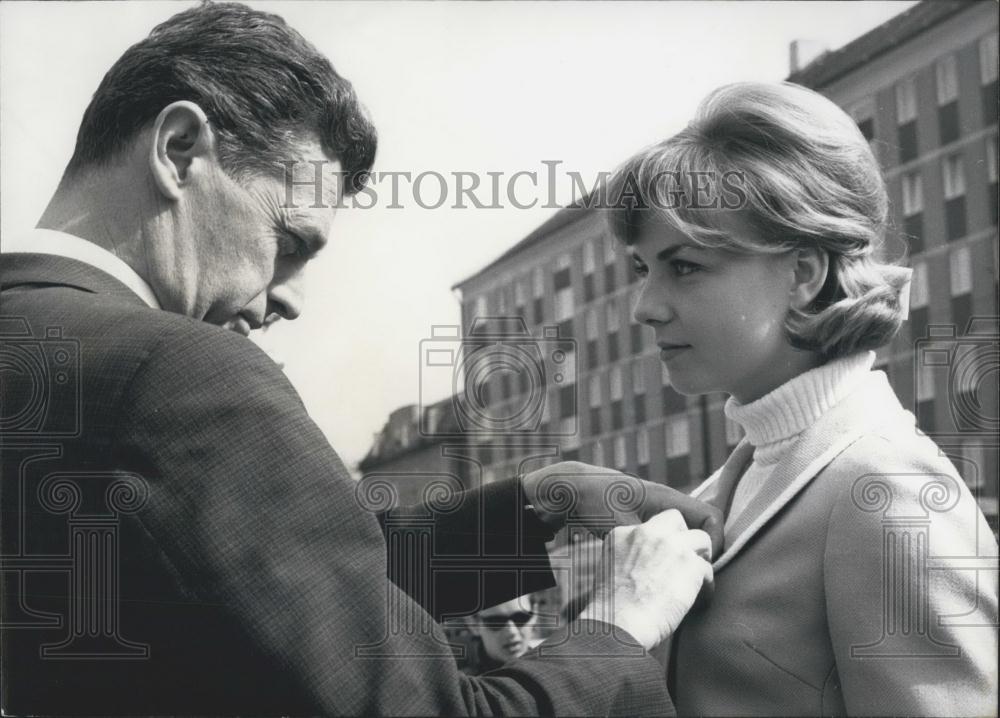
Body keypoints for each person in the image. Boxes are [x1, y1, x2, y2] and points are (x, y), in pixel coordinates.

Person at [0, 3, 721, 715]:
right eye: (288, 242)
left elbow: (284, 576)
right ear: (180, 148)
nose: (292, 301)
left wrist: (535, 507)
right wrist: (621, 626)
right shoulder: (180, 372)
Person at [604, 81, 998, 716]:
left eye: (685, 267)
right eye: (643, 270)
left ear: (803, 272)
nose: (646, 307)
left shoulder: (892, 492)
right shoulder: (719, 492)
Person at [466, 596, 538, 673]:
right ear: (474, 624)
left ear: (535, 615)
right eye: (496, 621)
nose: (511, 632)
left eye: (520, 618)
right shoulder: (465, 683)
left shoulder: (550, 669)